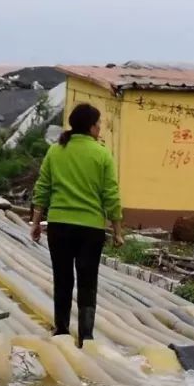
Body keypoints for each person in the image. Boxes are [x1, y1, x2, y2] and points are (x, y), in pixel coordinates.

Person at [30, 103, 124, 346]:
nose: (100, 128)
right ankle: (86, 336)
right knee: (87, 281)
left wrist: (36, 221)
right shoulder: (102, 154)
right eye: (99, 123)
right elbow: (110, 194)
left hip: (60, 226)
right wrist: (117, 230)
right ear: (91, 127)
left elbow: (43, 187)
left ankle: (61, 331)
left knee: (62, 279)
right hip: (90, 229)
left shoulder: (56, 151)